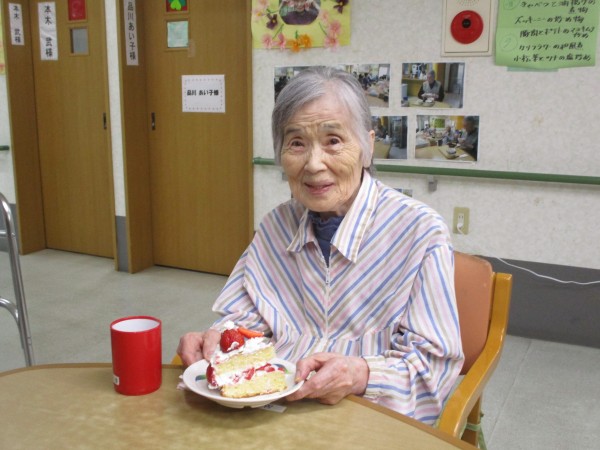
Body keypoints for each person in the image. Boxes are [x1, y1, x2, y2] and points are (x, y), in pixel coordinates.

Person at [178, 67, 463, 424]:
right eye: (296, 143)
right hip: (273, 414)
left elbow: (433, 370)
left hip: (370, 419)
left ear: (367, 147)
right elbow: (245, 319)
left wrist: (361, 374)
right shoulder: (275, 226)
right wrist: (217, 339)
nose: (314, 165)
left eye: (333, 140)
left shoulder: (420, 232)